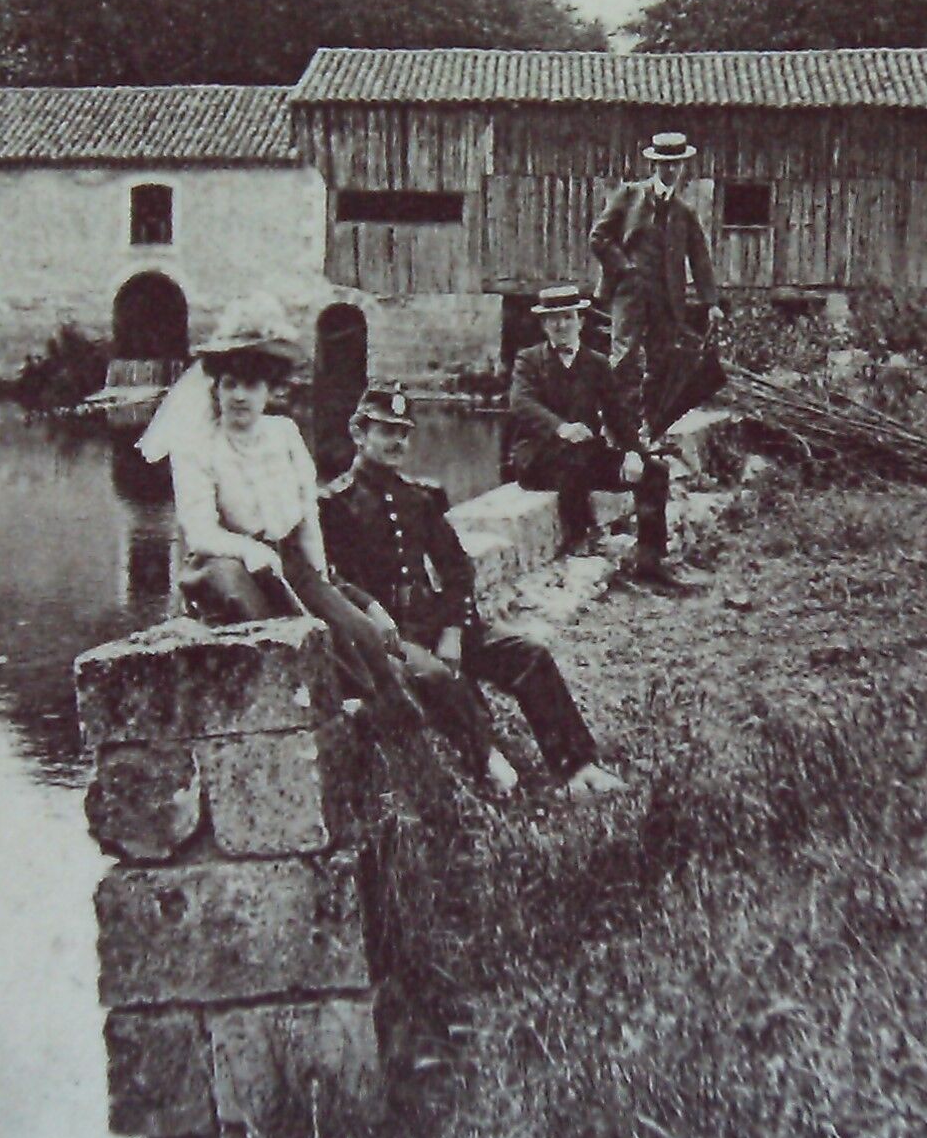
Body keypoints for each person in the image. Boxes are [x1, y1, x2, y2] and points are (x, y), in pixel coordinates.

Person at [321, 384, 624, 800]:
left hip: (434, 620)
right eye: (386, 431)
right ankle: (487, 768)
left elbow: (456, 568)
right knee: (437, 677)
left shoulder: (419, 497)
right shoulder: (334, 504)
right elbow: (330, 578)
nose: (398, 442)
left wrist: (454, 628)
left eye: (404, 432)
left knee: (528, 656)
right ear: (359, 433)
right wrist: (370, 607)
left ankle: (577, 767)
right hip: (388, 636)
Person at [141, 302, 407, 706]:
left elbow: (306, 506)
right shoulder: (197, 447)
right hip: (236, 565)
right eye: (230, 384)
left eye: (251, 386)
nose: (239, 397)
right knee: (309, 642)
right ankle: (336, 704)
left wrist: (318, 569)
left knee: (360, 635)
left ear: (270, 390)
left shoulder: (284, 434)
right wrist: (249, 549)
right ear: (217, 388)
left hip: (292, 563)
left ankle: (390, 712)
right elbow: (199, 530)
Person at [505, 284, 690, 591]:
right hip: (539, 458)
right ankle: (580, 537)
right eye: (553, 319)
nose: (561, 325)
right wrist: (561, 427)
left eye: (567, 317)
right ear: (543, 324)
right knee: (572, 460)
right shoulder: (529, 360)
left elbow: (617, 415)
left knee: (654, 471)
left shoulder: (597, 364)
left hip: (584, 458)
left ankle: (650, 560)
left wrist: (634, 452)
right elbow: (520, 402)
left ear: (580, 320)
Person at [589, 129, 722, 433]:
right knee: (623, 357)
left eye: (676, 164)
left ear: (683, 167)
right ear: (654, 166)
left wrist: (711, 302)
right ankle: (615, 426)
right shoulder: (630, 195)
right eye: (665, 164)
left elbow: (699, 258)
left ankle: (648, 427)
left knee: (662, 362)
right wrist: (623, 267)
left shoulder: (684, 212)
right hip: (630, 292)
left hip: (667, 298)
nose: (671, 170)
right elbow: (598, 238)